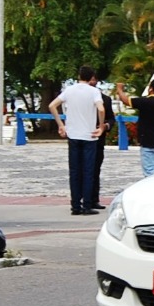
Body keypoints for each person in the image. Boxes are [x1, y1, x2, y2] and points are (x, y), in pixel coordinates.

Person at [48, 65, 104, 215]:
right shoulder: (94, 92)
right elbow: (101, 109)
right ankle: (86, 205)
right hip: (89, 136)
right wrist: (101, 126)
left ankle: (75, 206)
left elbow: (52, 105)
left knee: (74, 171)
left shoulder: (69, 90)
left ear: (79, 76)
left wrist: (61, 125)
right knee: (88, 171)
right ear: (91, 77)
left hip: (73, 134)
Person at [116, 78, 154, 176]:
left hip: (148, 141)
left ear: (151, 89)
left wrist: (120, 89)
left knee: (149, 173)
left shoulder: (145, 101)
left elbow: (126, 101)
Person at [88, 81, 116, 211]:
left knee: (95, 170)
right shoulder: (80, 98)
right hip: (82, 137)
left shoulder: (105, 99)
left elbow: (111, 119)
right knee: (80, 170)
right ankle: (80, 199)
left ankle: (94, 199)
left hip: (98, 140)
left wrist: (105, 126)